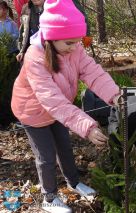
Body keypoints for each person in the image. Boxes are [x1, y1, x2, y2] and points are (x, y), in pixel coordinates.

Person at [11, 0, 120, 212]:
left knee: (65, 147)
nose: (74, 47)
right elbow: (51, 99)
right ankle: (49, 197)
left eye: (77, 42)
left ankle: (73, 182)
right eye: (70, 43)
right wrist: (87, 127)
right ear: (51, 37)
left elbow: (93, 73)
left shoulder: (74, 48)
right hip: (32, 112)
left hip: (59, 111)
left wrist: (114, 95)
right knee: (46, 157)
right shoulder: (35, 57)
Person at [0, 1, 19, 129]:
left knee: (12, 84)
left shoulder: (11, 23)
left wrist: (9, 37)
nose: (3, 11)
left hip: (11, 55)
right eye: (1, 9)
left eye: (4, 9)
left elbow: (17, 35)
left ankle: (13, 114)